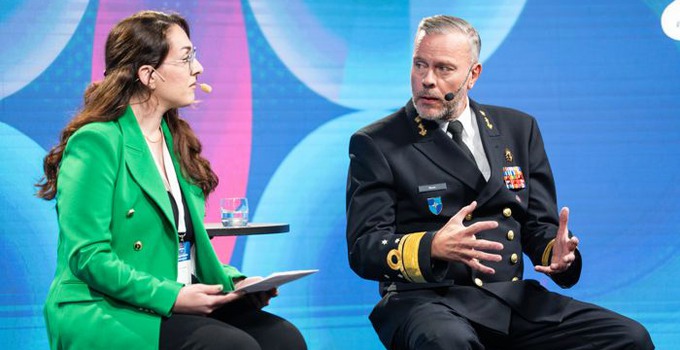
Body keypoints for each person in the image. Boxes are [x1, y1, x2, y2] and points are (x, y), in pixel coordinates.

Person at [346, 15, 654, 350]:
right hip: (424, 301)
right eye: (420, 65)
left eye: (443, 69)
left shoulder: (518, 129)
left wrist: (558, 255)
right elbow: (365, 247)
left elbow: (539, 228)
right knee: (448, 342)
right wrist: (432, 247)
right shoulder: (377, 142)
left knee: (629, 338)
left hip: (509, 300)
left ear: (473, 75)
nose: (426, 80)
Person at [36, 10, 306, 350]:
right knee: (231, 346)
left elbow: (181, 251)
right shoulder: (97, 142)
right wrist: (174, 296)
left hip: (169, 299)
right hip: (105, 307)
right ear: (149, 74)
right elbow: (88, 257)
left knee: (284, 339)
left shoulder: (175, 139)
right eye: (186, 58)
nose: (198, 68)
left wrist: (238, 283)